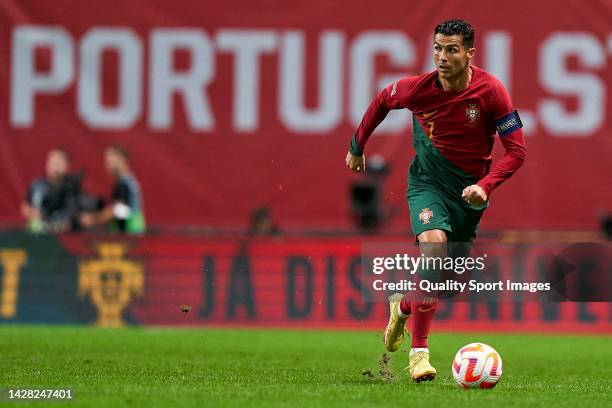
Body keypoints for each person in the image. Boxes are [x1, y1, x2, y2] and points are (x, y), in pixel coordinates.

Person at [345, 19, 526, 382]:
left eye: (452, 49)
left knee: (446, 285)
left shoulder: (492, 92)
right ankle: (420, 355)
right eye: (438, 49)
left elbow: (517, 151)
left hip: (470, 196)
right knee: (434, 249)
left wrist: (486, 186)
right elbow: (383, 99)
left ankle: (401, 307)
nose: (443, 57)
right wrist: (357, 146)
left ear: (470, 53)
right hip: (427, 184)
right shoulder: (417, 89)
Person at [81, 145, 146, 234]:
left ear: (123, 159)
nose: (108, 161)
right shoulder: (128, 181)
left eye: (112, 157)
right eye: (107, 159)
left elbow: (114, 211)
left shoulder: (124, 184)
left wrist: (92, 219)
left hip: (129, 236)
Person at [21, 148, 82, 233]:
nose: (55, 166)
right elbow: (25, 206)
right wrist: (32, 213)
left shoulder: (73, 188)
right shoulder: (37, 185)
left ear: (67, 166)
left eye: (59, 163)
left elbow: (75, 215)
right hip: (37, 231)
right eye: (52, 162)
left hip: (63, 233)